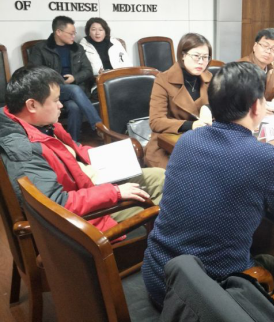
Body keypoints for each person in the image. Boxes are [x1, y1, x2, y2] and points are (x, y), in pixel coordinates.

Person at [142, 62, 274, 308]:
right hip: (208, 297)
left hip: (159, 276)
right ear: (256, 106)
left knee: (263, 258)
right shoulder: (265, 158)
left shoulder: (187, 140)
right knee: (266, 266)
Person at [0, 66, 165, 233]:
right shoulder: (23, 150)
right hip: (88, 217)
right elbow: (55, 204)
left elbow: (73, 149)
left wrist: (109, 155)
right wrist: (114, 192)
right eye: (56, 100)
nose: (60, 105)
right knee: (165, 208)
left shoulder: (39, 124)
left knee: (161, 176)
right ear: (32, 105)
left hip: (89, 182)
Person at [145, 33, 213, 168]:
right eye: (196, 56)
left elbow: (221, 106)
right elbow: (156, 121)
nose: (201, 62)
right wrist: (191, 125)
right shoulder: (163, 80)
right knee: (186, 174)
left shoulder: (209, 77)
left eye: (205, 57)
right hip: (167, 144)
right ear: (183, 55)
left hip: (202, 142)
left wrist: (209, 109)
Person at [29, 15, 102, 142]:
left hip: (76, 90)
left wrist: (75, 78)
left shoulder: (78, 48)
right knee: (74, 90)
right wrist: (58, 80)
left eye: (74, 33)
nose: (74, 36)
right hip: (51, 90)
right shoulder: (41, 48)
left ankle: (74, 142)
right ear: (58, 32)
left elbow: (88, 70)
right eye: (71, 33)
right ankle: (98, 125)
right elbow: (35, 73)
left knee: (74, 107)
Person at [239, 28, 274, 113]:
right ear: (255, 46)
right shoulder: (239, 68)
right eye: (265, 46)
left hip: (267, 116)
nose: (268, 51)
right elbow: (234, 101)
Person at [80, 17, 131, 81]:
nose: (97, 33)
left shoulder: (115, 43)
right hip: (97, 80)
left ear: (105, 31)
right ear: (88, 32)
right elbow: (82, 70)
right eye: (93, 30)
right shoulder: (83, 46)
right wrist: (97, 72)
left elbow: (128, 64)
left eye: (101, 30)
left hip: (119, 78)